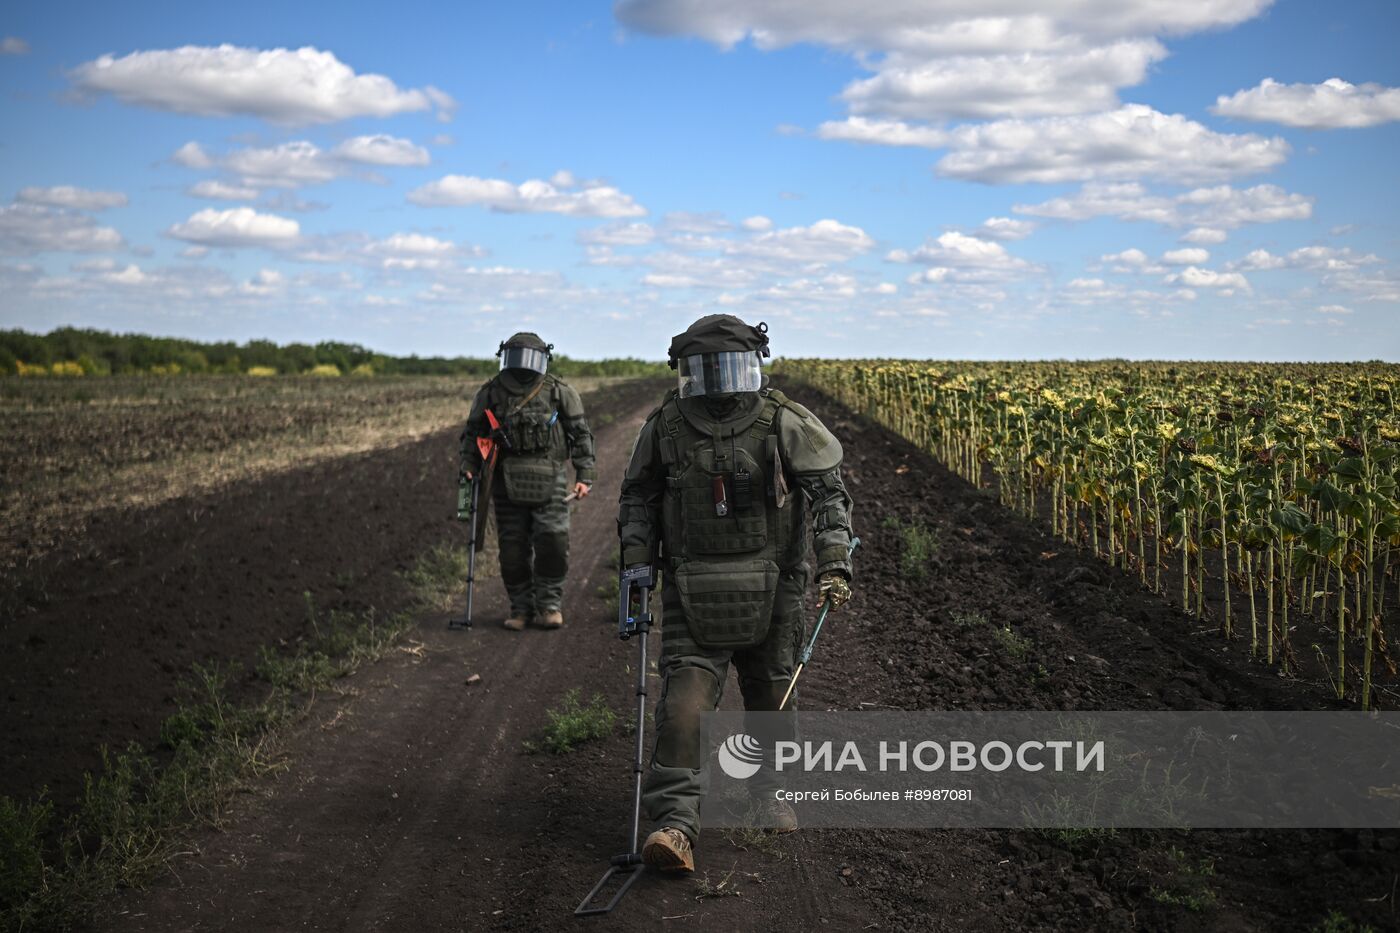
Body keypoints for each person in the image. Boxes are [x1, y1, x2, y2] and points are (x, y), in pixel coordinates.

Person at [617, 314, 855, 872]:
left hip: (777, 586)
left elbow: (829, 497)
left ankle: (770, 791)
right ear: (686, 371)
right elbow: (638, 500)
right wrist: (635, 568)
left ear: (753, 365)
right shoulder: (667, 427)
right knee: (683, 709)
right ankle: (676, 826)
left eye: (730, 368)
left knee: (773, 697)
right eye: (707, 370)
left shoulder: (783, 422)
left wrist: (834, 563)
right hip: (690, 588)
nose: (720, 380)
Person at [460, 332, 595, 630]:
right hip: (505, 480)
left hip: (551, 478)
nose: (523, 365)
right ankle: (520, 607)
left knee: (553, 542)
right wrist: (469, 466)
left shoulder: (559, 392)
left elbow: (580, 434)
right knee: (512, 548)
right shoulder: (491, 393)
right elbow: (473, 434)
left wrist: (585, 475)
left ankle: (548, 604)